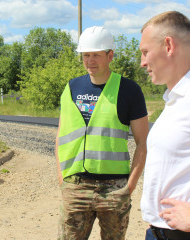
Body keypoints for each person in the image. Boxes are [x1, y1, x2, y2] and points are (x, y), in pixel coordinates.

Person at [55, 26, 149, 240]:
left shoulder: (129, 90)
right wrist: (63, 179)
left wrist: (129, 187)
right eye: (85, 55)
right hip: (76, 186)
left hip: (114, 188)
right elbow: (61, 136)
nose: (90, 61)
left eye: (96, 55)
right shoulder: (71, 88)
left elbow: (143, 143)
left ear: (110, 55)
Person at [140, 11, 190, 240]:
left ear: (168, 45)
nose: (142, 62)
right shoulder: (179, 98)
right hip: (165, 232)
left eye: (145, 52)